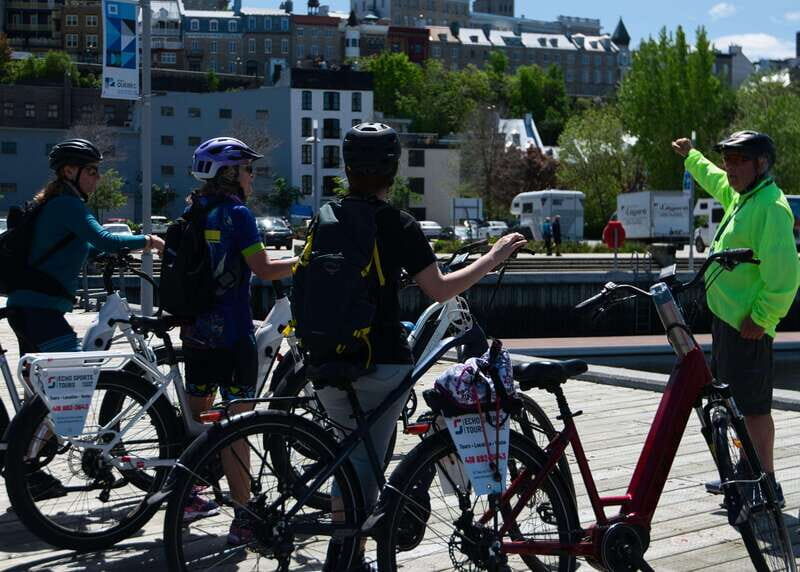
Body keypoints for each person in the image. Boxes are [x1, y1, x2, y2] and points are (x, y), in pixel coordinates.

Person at [314, 123, 527, 571]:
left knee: (349, 464)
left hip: (323, 359)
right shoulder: (398, 223)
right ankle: (347, 557)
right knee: (366, 472)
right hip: (379, 362)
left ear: (347, 168)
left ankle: (345, 554)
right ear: (393, 168)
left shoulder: (327, 216)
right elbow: (441, 289)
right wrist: (493, 257)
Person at [6, 138, 165, 499]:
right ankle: (23, 467)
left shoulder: (56, 204)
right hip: (40, 310)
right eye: (92, 171)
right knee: (68, 383)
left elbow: (85, 246)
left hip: (30, 308)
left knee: (47, 393)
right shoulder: (67, 204)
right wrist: (150, 242)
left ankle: (24, 460)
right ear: (70, 172)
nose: (97, 178)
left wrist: (104, 254)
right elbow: (105, 239)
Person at [673, 131, 799, 507]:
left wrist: (761, 318)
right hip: (729, 321)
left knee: (755, 408)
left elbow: (786, 276)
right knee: (735, 405)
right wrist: (692, 156)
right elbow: (714, 179)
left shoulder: (770, 207)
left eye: (738, 160)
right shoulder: (744, 198)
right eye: (727, 159)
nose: (729, 168)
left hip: (748, 327)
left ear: (761, 164)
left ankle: (767, 484)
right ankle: (745, 475)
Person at [180, 137, 297, 542]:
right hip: (232, 332)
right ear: (230, 173)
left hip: (195, 332)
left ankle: (187, 493)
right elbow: (263, 269)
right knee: (237, 428)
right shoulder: (237, 214)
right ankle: (244, 517)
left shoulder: (193, 208)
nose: (252, 176)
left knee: (199, 416)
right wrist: (305, 260)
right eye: (248, 169)